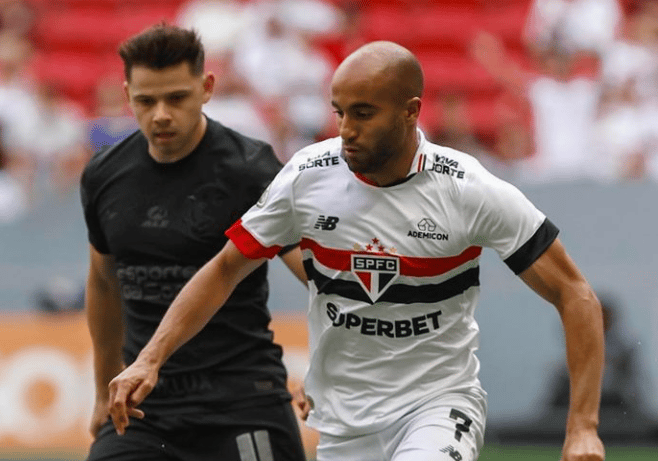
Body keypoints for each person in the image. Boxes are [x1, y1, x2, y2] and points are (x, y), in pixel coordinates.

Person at [107, 41, 606, 461]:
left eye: (363, 113)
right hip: (345, 423)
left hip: (437, 406)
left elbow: (575, 293)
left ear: (411, 111)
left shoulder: (468, 189)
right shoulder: (308, 175)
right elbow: (224, 269)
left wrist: (582, 424)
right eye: (340, 112)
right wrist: (149, 359)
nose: (346, 128)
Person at [80, 24, 307, 461]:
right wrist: (100, 389)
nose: (161, 114)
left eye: (177, 98)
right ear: (127, 95)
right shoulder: (103, 174)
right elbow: (104, 282)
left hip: (243, 400)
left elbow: (316, 275)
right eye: (146, 101)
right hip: (146, 408)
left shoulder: (252, 169)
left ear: (206, 88)